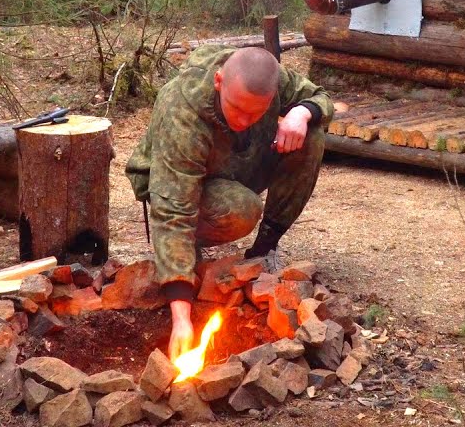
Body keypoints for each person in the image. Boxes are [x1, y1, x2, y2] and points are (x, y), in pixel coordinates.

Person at [125, 45, 334, 360]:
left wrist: (301, 112)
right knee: (241, 209)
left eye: (256, 112)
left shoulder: (271, 76)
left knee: (311, 134)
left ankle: (263, 252)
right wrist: (181, 316)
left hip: (236, 165)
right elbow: (173, 210)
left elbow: (320, 97)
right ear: (220, 81)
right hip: (175, 181)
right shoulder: (183, 110)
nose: (244, 120)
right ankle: (183, 257)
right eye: (236, 108)